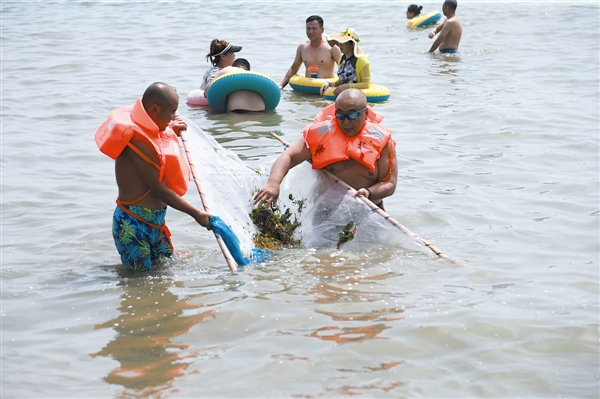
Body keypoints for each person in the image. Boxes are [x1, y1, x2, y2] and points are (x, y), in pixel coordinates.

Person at [95, 82, 212, 272]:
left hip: (156, 224)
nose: (174, 116)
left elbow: (158, 141)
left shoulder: (151, 132)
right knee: (139, 282)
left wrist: (170, 130)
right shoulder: (137, 141)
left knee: (162, 278)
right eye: (172, 112)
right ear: (155, 109)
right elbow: (160, 191)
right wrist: (197, 214)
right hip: (133, 226)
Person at [253, 89, 397, 211]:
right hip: (325, 209)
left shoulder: (383, 142)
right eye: (340, 115)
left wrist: (368, 193)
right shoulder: (322, 134)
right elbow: (289, 156)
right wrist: (273, 183)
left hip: (366, 209)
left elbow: (390, 183)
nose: (346, 122)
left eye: (352, 115)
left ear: (365, 114)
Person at [279, 15, 342, 90]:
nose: (311, 31)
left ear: (322, 30)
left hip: (325, 89)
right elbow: (293, 69)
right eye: (308, 28)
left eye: (314, 29)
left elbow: (344, 68)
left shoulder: (332, 47)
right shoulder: (302, 47)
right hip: (307, 90)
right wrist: (281, 86)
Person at [319, 27, 371, 96]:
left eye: (344, 42)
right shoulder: (342, 59)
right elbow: (342, 80)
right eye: (340, 42)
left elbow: (366, 84)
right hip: (345, 96)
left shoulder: (362, 61)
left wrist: (347, 86)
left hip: (358, 97)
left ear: (352, 44)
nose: (340, 45)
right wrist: (329, 83)